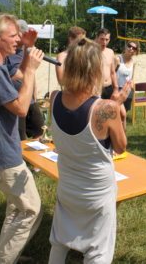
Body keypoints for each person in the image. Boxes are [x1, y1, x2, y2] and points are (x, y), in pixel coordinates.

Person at [48, 39, 129, 263]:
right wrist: (119, 109)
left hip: (67, 187)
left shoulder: (54, 98)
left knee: (59, 240)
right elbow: (121, 147)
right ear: (94, 69)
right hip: (97, 193)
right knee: (98, 250)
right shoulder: (105, 109)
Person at [0, 11, 43, 263]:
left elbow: (15, 79)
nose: (18, 39)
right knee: (31, 210)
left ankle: (8, 255)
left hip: (3, 150)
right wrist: (33, 72)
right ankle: (1, 261)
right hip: (2, 154)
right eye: (13, 36)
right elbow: (21, 108)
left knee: (16, 208)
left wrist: (27, 52)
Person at [5, 19, 45, 140]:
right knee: (20, 137)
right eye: (21, 34)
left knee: (40, 130)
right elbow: (16, 75)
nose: (20, 38)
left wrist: (34, 93)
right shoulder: (8, 51)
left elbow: (31, 74)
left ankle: (34, 157)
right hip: (17, 100)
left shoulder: (27, 50)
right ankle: (22, 158)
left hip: (30, 100)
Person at [115, 41, 138, 130]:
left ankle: (120, 135)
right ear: (125, 47)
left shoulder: (133, 62)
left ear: (136, 51)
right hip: (118, 89)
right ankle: (121, 135)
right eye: (129, 46)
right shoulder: (118, 59)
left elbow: (132, 77)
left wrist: (131, 84)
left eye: (134, 48)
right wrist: (115, 88)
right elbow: (112, 74)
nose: (131, 49)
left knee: (123, 114)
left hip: (128, 90)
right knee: (122, 114)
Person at [96, 28, 120, 101]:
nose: (104, 42)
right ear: (97, 38)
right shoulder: (91, 52)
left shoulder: (110, 52)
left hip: (109, 87)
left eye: (107, 39)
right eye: (102, 39)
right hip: (97, 88)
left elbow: (113, 72)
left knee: (119, 112)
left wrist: (116, 88)